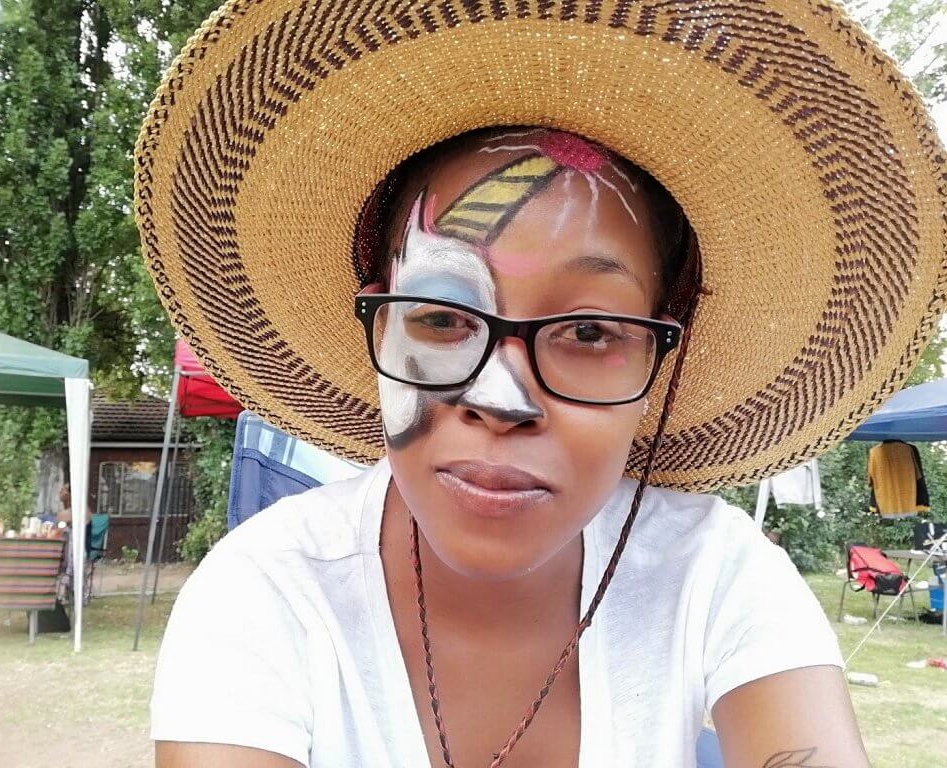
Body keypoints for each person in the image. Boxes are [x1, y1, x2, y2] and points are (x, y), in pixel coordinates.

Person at [138, 2, 947, 767]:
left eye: (590, 332)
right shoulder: (265, 594)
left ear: (658, 362)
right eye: (441, 317)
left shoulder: (717, 574)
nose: (500, 401)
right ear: (382, 328)